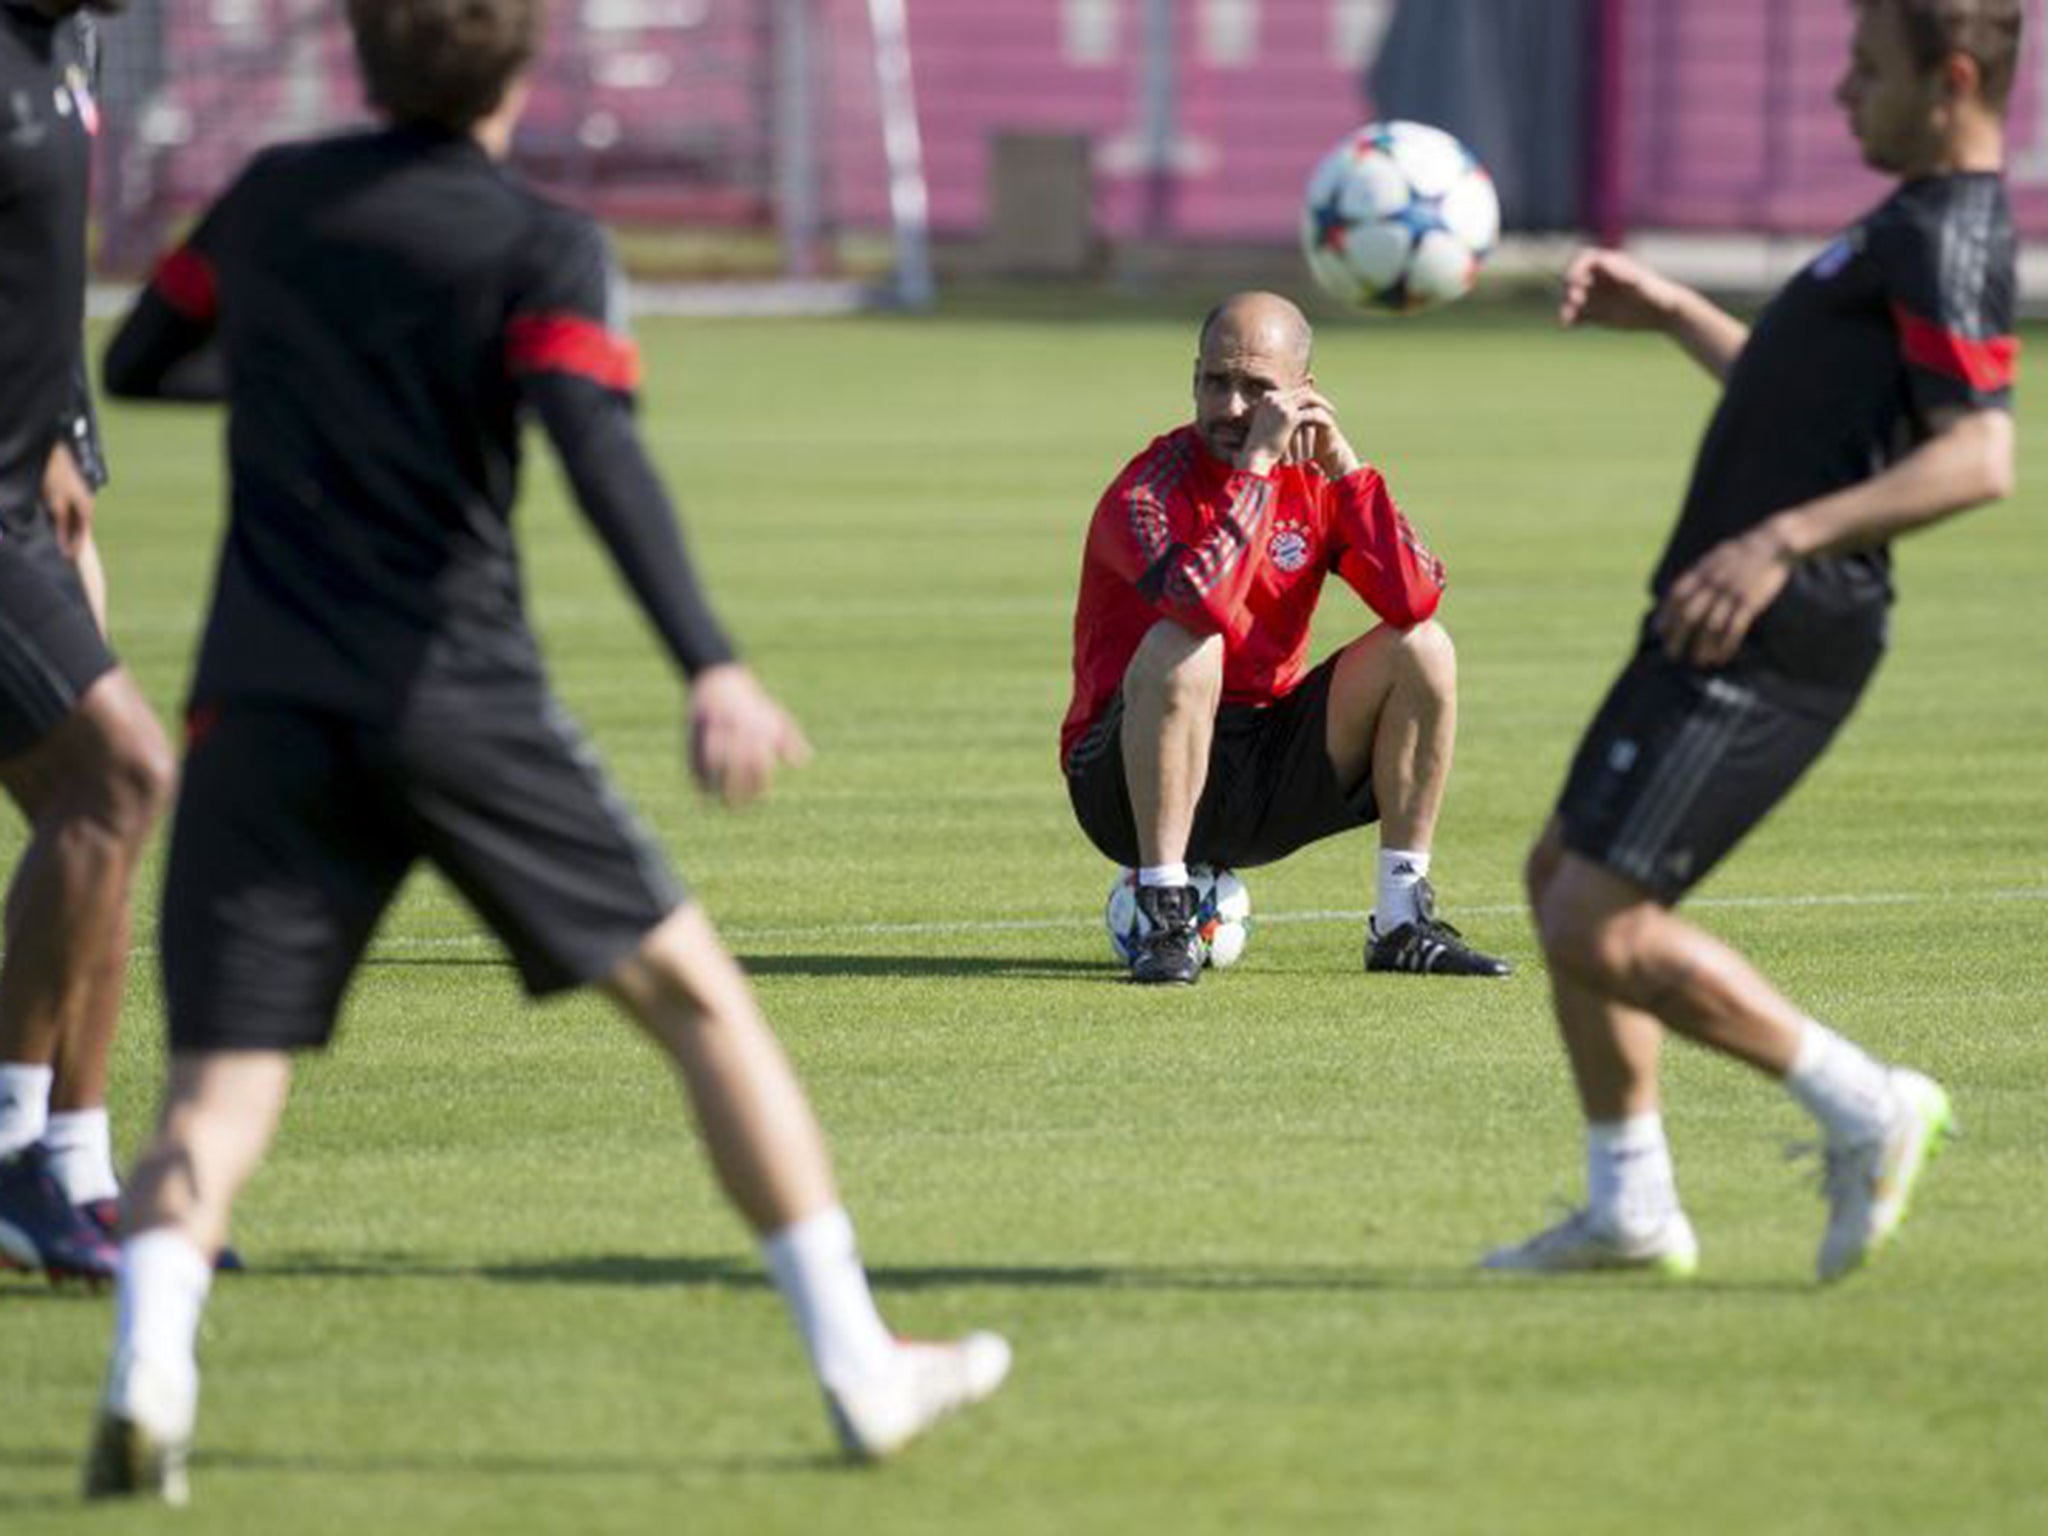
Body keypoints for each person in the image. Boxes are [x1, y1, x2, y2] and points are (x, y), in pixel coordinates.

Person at [81, 0, 1006, 1503]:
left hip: (259, 703)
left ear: (363, 57)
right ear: (522, 66)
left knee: (216, 1092)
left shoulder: (270, 198)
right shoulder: (539, 241)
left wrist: (305, 382)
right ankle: (859, 1365)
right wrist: (711, 661)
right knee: (702, 1007)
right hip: (457, 698)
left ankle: (151, 1367)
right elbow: (597, 447)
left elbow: (139, 361)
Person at [1487, 0, 2018, 1283]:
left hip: (1776, 625)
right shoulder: (1896, 226)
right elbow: (1808, 415)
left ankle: (1864, 1104)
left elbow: (1977, 454)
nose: (1842, 97)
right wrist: (1675, 311)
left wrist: (1781, 542)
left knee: (1597, 923)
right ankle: (1630, 1208)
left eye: (1864, 71)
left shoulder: (1949, 235)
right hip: (1719, 606)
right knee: (1560, 873)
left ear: (1949, 81)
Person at [1063, 290, 1512, 984]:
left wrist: (1347, 467)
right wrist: (1257, 473)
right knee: (1188, 642)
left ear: (1304, 395)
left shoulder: (1318, 481)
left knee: (1424, 647)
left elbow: (1415, 594)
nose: (1234, 408)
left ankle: (1400, 920)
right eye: (1217, 383)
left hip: (1263, 763)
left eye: (1258, 389)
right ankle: (1162, 911)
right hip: (1122, 779)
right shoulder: (1146, 490)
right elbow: (1201, 603)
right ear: (1194, 379)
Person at [0, 0, 173, 1285]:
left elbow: (43, 272)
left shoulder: (69, 39)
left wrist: (72, 446)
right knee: (118, 774)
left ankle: (76, 1169)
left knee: (101, 805)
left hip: (29, 494)